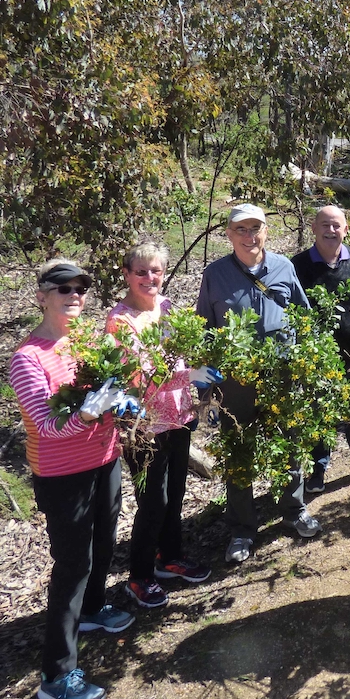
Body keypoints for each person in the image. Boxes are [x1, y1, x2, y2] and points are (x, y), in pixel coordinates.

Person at [9, 261, 137, 699]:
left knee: (104, 543)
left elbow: (119, 385)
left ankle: (93, 610)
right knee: (72, 566)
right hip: (63, 477)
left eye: (81, 287)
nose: (74, 294)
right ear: (42, 295)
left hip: (105, 460)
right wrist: (84, 414)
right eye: (62, 287)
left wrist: (126, 397)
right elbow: (44, 425)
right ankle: (56, 675)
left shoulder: (89, 343)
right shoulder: (28, 357)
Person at [197, 204, 320, 565]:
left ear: (266, 230)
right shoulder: (215, 274)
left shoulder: (284, 267)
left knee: (289, 443)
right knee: (239, 453)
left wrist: (307, 365)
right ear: (229, 234)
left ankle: (293, 510)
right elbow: (204, 330)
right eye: (241, 230)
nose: (249, 236)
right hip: (236, 382)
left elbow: (304, 315)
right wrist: (206, 394)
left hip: (283, 377)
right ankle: (242, 529)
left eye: (256, 228)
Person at [107, 243, 215, 608]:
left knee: (175, 495)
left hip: (179, 417)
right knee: (153, 503)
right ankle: (139, 578)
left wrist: (198, 375)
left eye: (156, 271)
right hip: (145, 427)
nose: (149, 278)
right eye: (141, 272)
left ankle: (169, 558)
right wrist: (193, 374)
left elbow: (185, 353)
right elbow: (139, 379)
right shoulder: (120, 321)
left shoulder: (168, 308)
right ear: (126, 274)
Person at [291, 205, 350, 493]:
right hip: (317, 357)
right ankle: (318, 469)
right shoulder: (297, 266)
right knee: (321, 412)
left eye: (336, 225)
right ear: (313, 228)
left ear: (346, 229)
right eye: (325, 225)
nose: (330, 231)